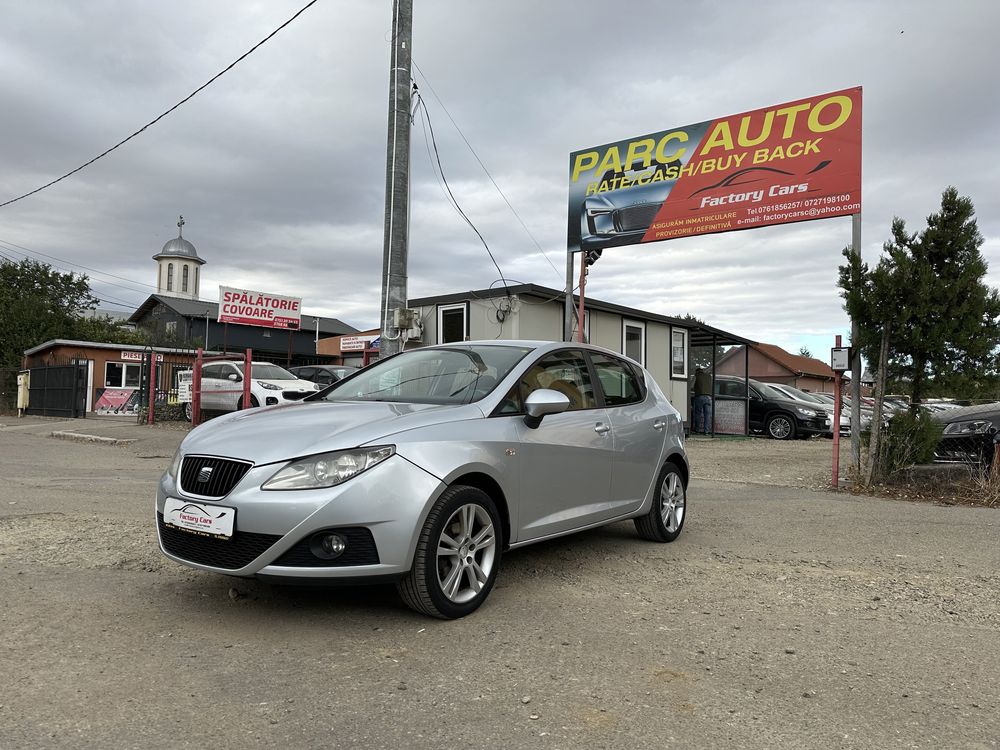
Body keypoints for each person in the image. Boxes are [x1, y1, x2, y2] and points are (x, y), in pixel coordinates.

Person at [693, 367, 712, 435]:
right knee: (707, 415)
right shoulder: (709, 376)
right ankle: (706, 431)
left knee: (698, 414)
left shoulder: (697, 376)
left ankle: (697, 430)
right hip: (709, 397)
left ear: (697, 372)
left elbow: (691, 386)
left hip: (700, 396)